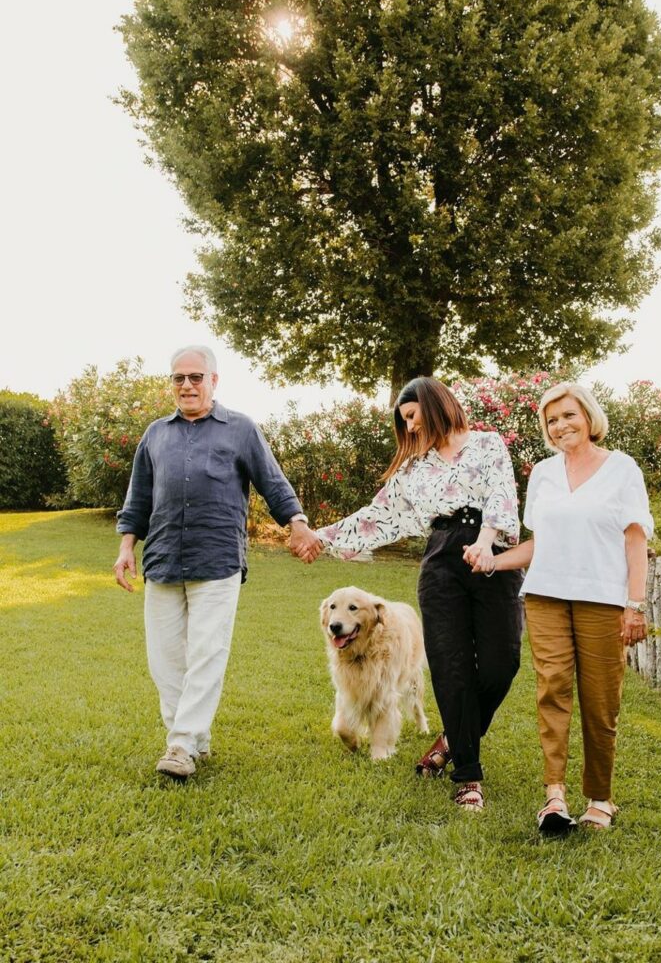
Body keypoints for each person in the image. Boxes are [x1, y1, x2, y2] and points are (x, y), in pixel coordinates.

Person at [312, 377, 524, 812]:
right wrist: (319, 537)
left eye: (411, 416)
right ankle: (468, 776)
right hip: (442, 563)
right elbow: (376, 516)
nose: (409, 427)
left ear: (434, 403)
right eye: (404, 421)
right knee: (451, 670)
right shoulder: (413, 469)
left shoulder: (487, 444)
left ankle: (450, 741)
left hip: (494, 559)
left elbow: (502, 494)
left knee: (502, 663)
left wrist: (486, 543)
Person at [114, 345, 323, 779]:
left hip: (217, 559)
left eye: (196, 377)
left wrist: (298, 524)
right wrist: (126, 548)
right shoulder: (155, 434)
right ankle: (194, 738)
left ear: (213, 380)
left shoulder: (241, 429)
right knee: (164, 660)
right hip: (163, 560)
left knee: (206, 654)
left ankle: (181, 744)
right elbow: (138, 499)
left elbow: (273, 482)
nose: (187, 385)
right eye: (179, 378)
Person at [470, 382, 652, 832]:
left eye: (569, 415)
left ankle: (600, 798)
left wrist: (635, 604)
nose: (560, 425)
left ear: (588, 417)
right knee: (551, 689)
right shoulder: (544, 474)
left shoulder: (622, 469)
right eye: (551, 420)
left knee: (600, 700)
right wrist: (492, 560)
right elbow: (541, 544)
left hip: (602, 599)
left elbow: (635, 539)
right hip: (545, 595)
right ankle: (555, 796)